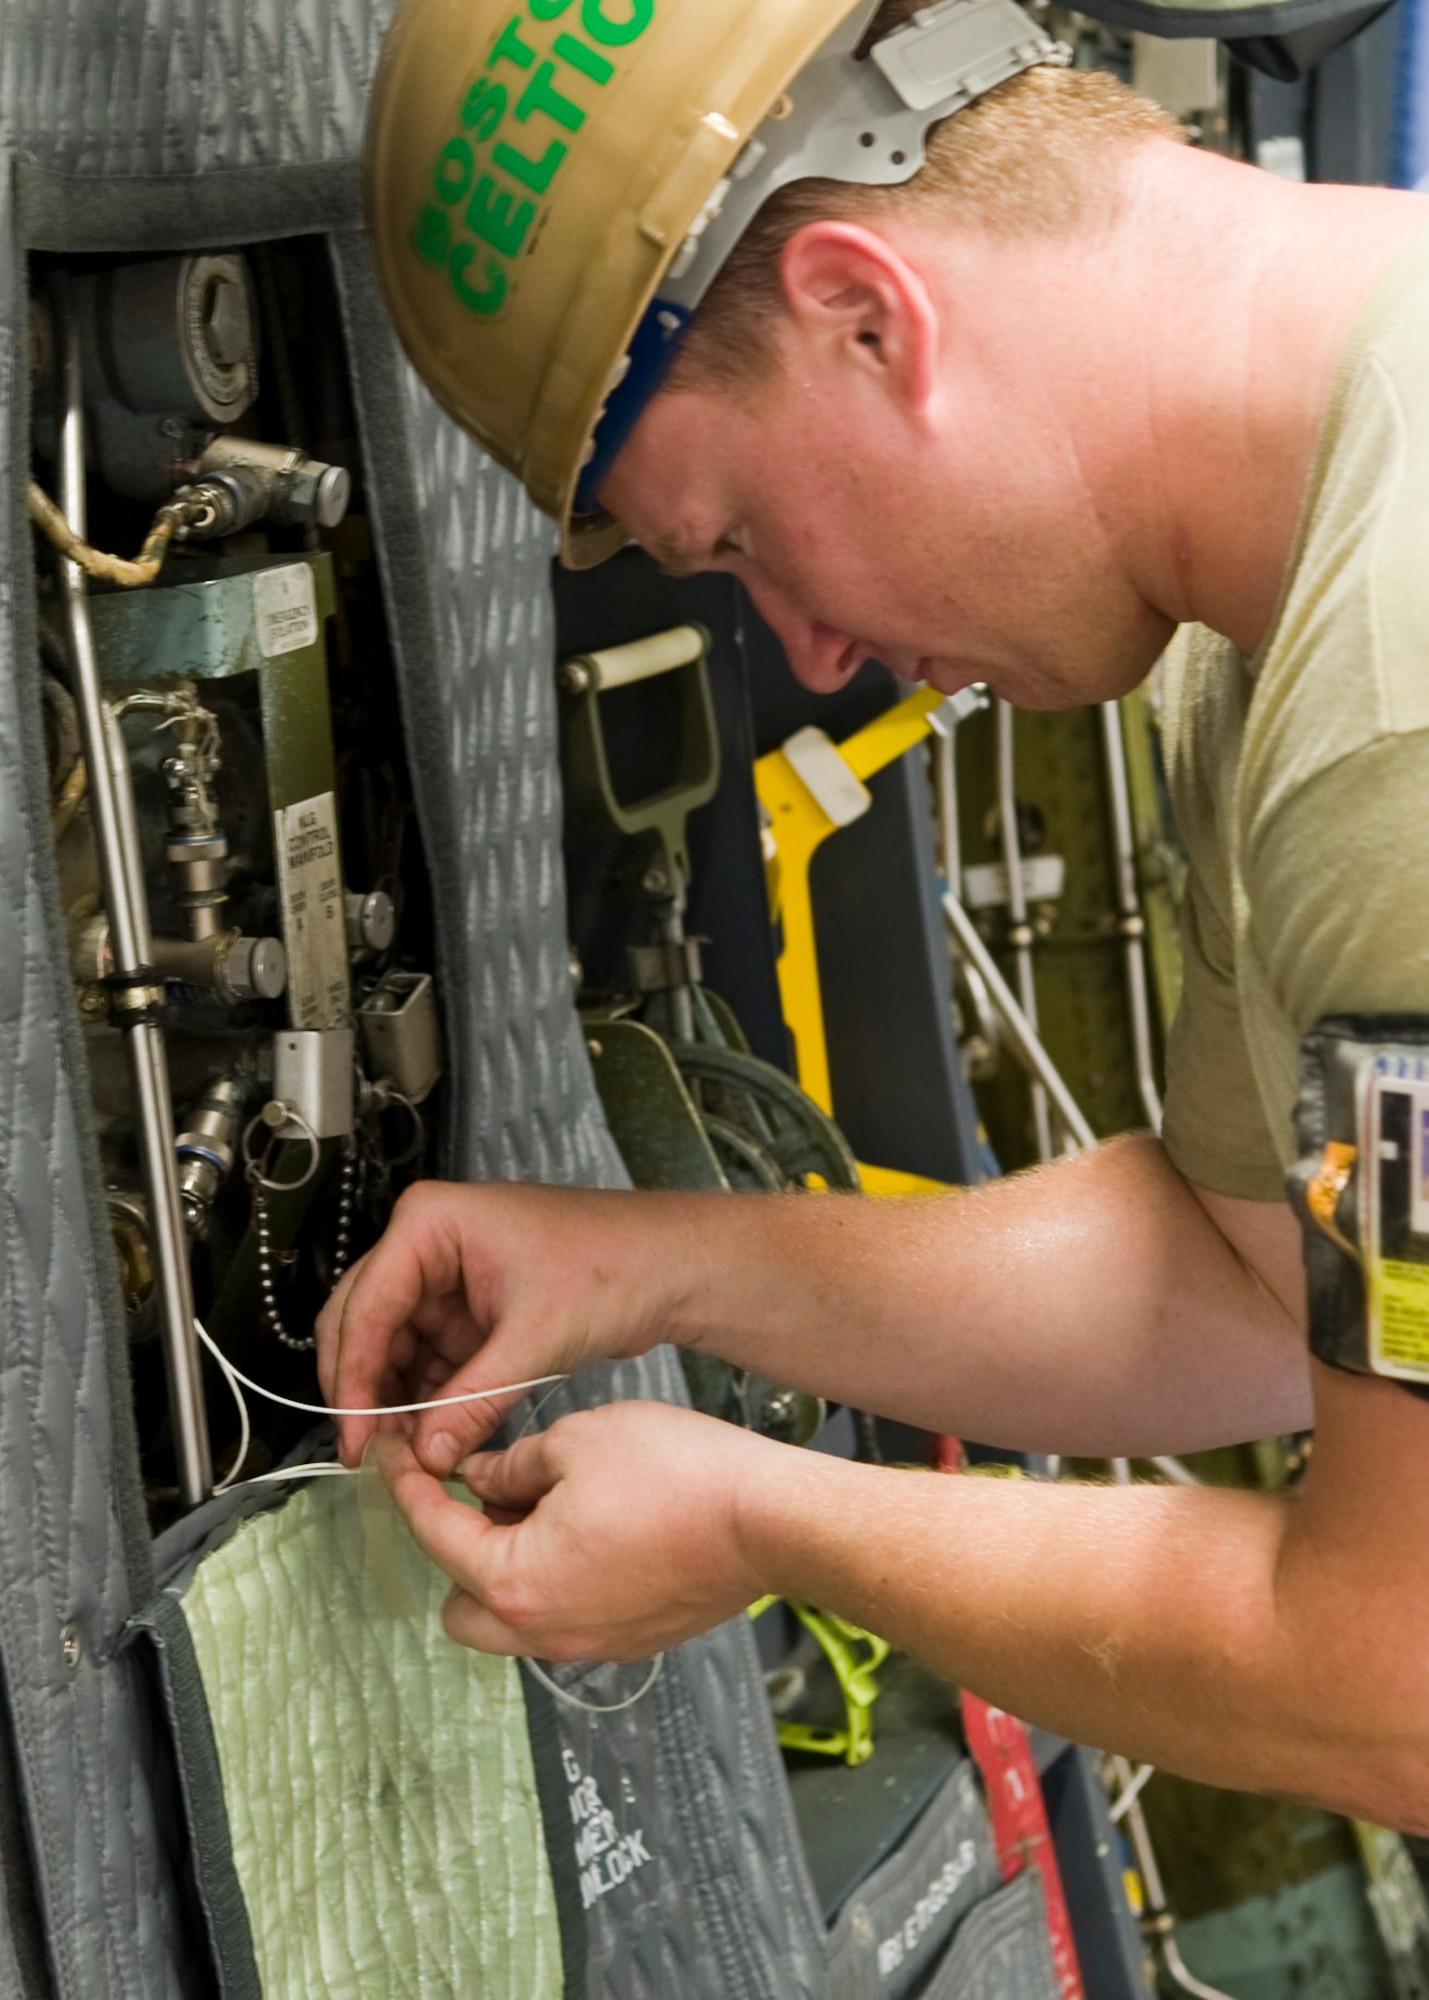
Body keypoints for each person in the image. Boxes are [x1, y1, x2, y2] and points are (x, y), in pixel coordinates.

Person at [324, 0, 1429, 1826]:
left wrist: (767, 1520)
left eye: (737, 540)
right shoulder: (1276, 610)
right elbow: (1246, 1283)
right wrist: (645, 1268)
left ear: (865, 313)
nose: (812, 655)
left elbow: (1396, 1682)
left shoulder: (1389, 720)